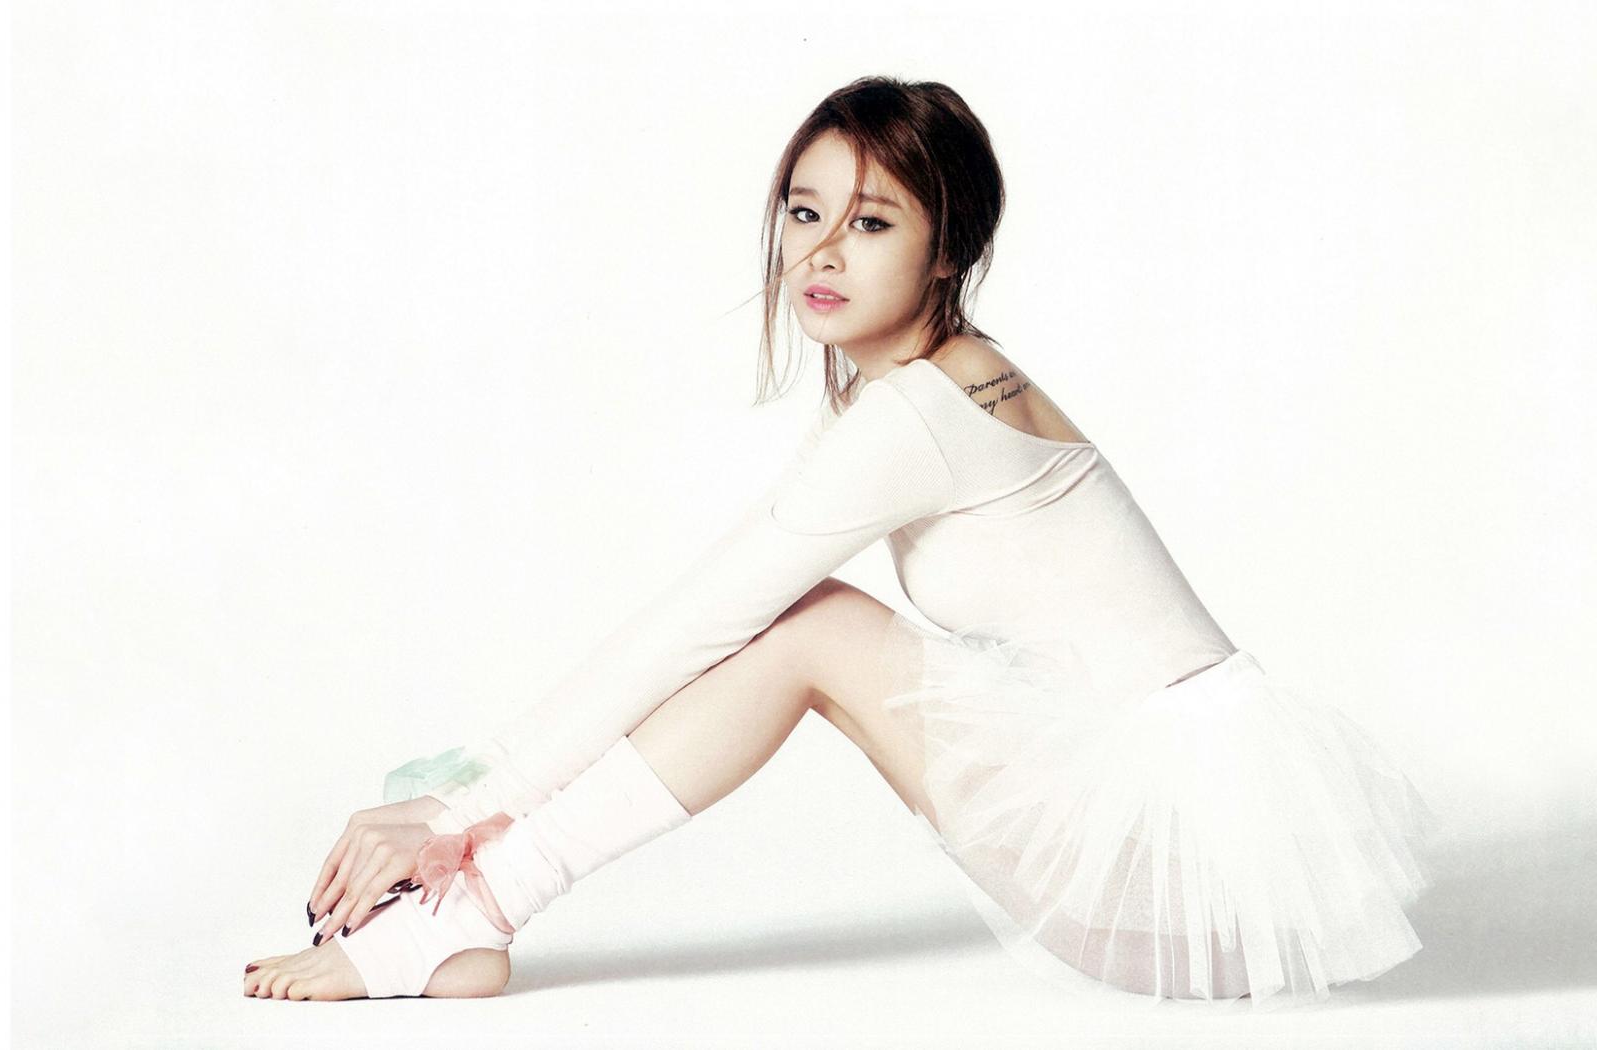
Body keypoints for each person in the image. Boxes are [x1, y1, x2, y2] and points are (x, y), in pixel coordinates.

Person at [243, 75, 1435, 1007]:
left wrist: (462, 805)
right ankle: (473, 906)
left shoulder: (922, 413)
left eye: (870, 222)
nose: (819, 252)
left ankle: (470, 911)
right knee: (805, 627)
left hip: (1176, 879)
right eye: (805, 212)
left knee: (812, 628)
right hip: (1188, 857)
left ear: (948, 248)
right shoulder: (936, 383)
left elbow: (703, 619)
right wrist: (467, 802)